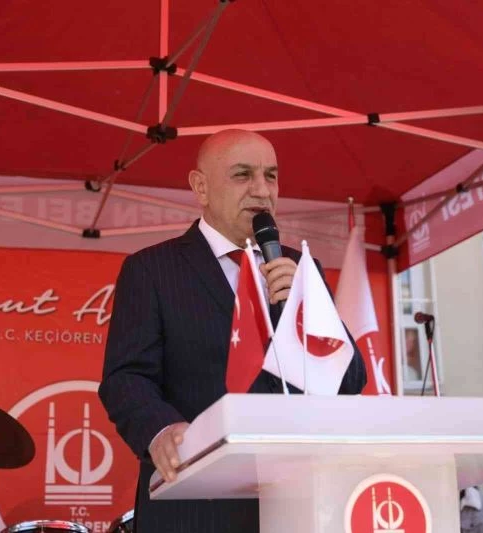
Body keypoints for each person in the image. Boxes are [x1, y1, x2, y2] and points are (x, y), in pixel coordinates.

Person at [99, 129, 366, 533]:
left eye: (271, 175)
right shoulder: (151, 270)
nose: (262, 190)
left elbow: (351, 381)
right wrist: (161, 431)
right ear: (201, 187)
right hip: (196, 507)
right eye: (243, 175)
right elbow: (126, 378)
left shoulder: (300, 269)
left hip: (298, 504)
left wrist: (310, 315)